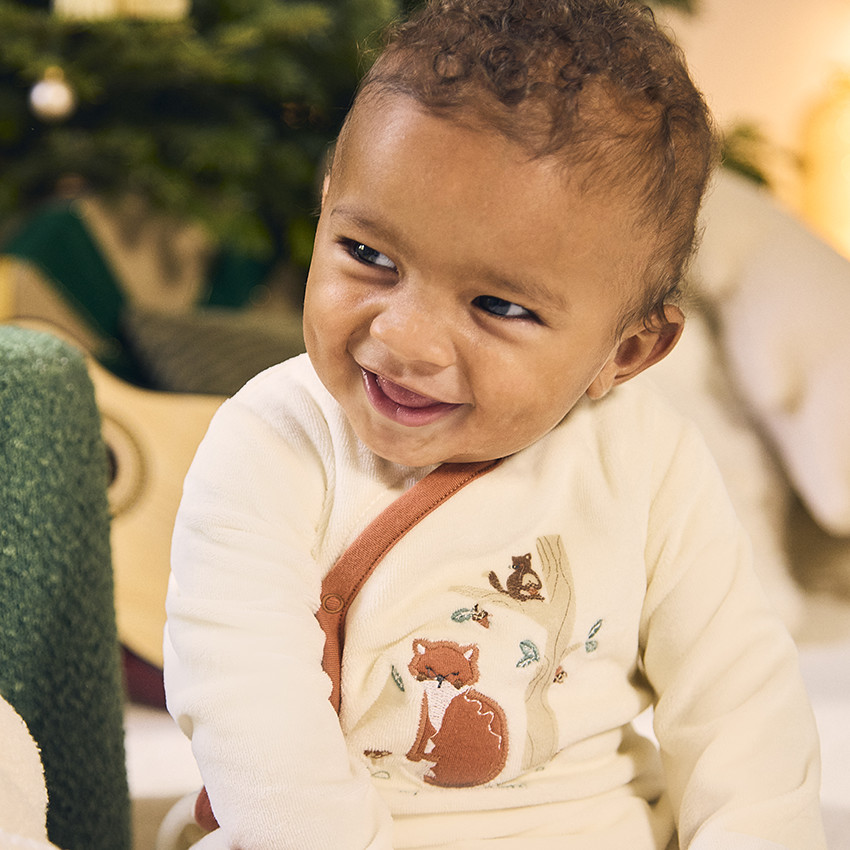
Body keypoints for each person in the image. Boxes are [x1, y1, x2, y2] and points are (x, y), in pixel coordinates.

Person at [163, 0, 826, 847]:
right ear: (329, 205)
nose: (401, 337)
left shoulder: (649, 463)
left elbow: (739, 707)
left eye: (498, 305)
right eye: (368, 254)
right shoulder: (272, 441)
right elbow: (249, 712)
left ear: (626, 353)